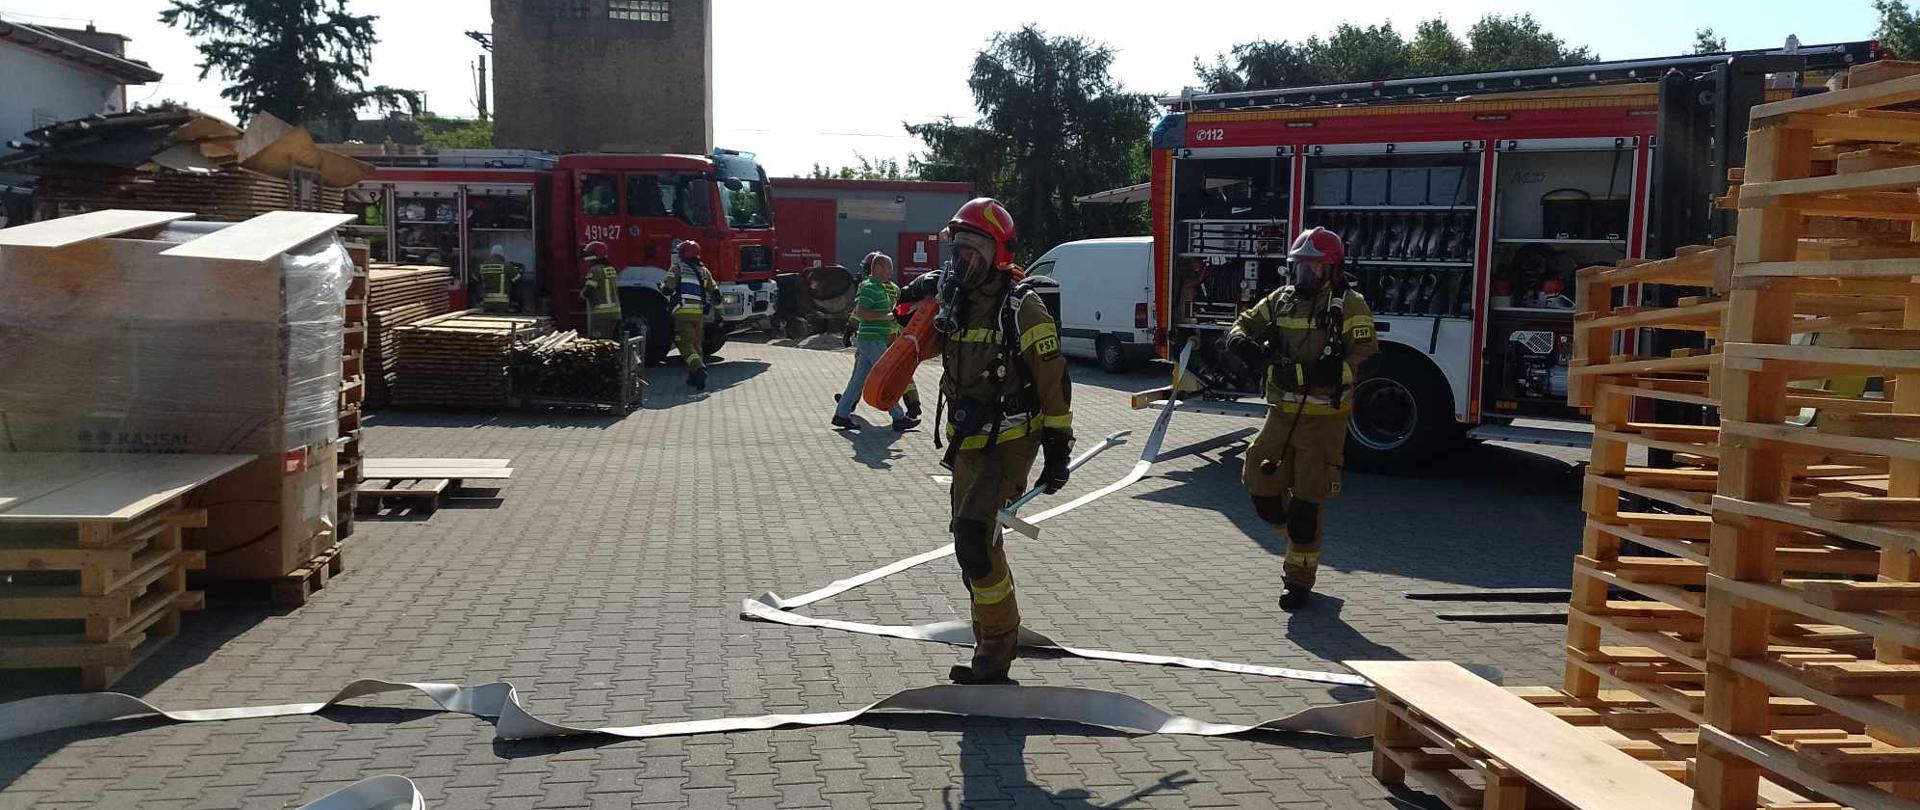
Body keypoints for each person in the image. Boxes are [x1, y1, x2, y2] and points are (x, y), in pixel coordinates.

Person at [923, 198, 1073, 685]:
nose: (963, 260)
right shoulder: (955, 300)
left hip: (1008, 442)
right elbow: (915, 348)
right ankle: (988, 635)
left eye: (974, 251)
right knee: (972, 545)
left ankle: (994, 653)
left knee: (975, 541)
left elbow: (1053, 379)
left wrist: (1058, 446)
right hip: (967, 443)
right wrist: (912, 307)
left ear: (998, 255)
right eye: (958, 250)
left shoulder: (1021, 307)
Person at [1227, 227, 1377, 612]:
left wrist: (1337, 372)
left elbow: (1368, 354)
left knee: (1307, 509)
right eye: (1299, 267)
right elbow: (1244, 324)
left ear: (1331, 270)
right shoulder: (1282, 300)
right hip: (1281, 413)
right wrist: (1242, 342)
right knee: (1261, 488)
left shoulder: (1350, 305)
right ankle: (1294, 534)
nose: (1303, 276)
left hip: (1324, 420)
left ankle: (1298, 581)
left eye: (1312, 268)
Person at [832, 252, 918, 431]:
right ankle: (898, 417)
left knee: (858, 380)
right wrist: (886, 317)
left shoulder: (882, 287)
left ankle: (841, 415)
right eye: (888, 268)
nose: (891, 272)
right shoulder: (870, 287)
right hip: (873, 340)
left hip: (874, 339)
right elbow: (861, 312)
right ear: (877, 267)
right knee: (887, 376)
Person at [667, 239, 721, 390]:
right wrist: (719, 313)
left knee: (684, 344)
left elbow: (668, 288)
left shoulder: (677, 268)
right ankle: (694, 378)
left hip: (683, 314)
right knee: (697, 346)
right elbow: (716, 293)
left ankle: (698, 369)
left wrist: (663, 288)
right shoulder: (704, 271)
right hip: (699, 315)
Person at [578, 241, 621, 340]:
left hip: (601, 314)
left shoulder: (595, 270)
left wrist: (580, 297)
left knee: (599, 342)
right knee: (609, 340)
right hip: (615, 313)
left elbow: (589, 289)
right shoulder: (611, 269)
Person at [477, 245, 521, 313]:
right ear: (502, 254)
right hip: (503, 303)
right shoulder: (507, 266)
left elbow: (475, 281)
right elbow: (517, 282)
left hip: (486, 303)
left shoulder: (482, 266)